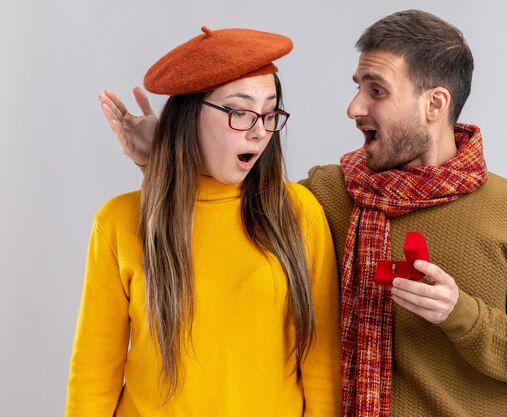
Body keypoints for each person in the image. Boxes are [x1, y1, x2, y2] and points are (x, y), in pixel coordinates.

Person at [103, 10, 507, 417]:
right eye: (357, 87)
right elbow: (224, 218)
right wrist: (161, 157)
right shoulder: (328, 194)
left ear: (434, 104)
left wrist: (461, 314)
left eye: (377, 91)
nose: (354, 108)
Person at [66, 27, 341, 417]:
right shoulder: (118, 222)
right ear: (191, 115)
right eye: (240, 112)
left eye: (270, 111)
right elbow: (94, 370)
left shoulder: (297, 213)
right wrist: (159, 159)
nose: (260, 131)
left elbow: (322, 364)